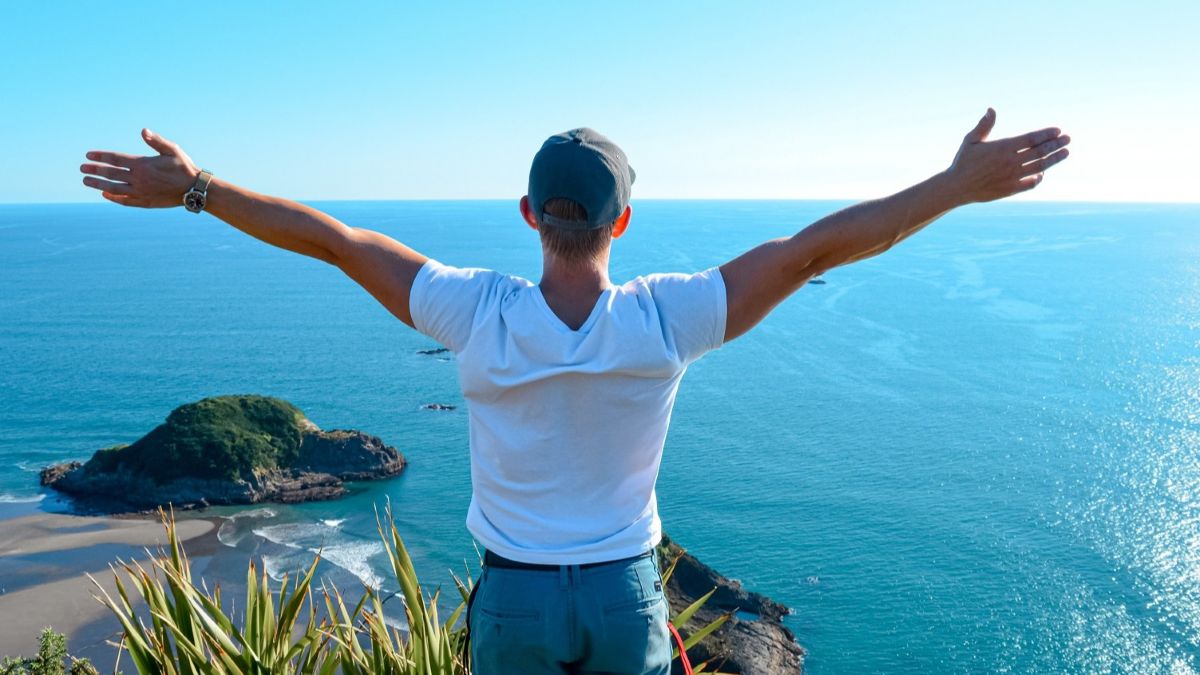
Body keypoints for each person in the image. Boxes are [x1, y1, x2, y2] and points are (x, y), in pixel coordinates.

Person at [80, 111, 1069, 674]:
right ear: (621, 220)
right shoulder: (666, 319)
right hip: (626, 597)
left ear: (528, 215)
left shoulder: (472, 312)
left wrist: (199, 187)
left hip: (510, 598)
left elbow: (337, 242)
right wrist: (954, 186)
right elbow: (815, 248)